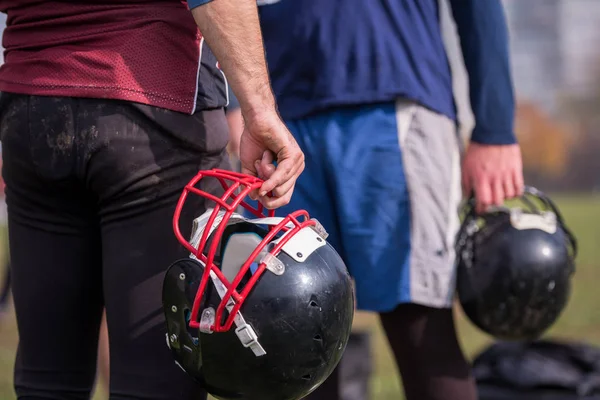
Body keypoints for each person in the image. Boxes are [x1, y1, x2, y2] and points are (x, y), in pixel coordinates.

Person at [0, 0, 304, 399]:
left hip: (32, 104)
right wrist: (260, 110)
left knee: (47, 379)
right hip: (153, 103)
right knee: (156, 379)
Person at [254, 1, 524, 399]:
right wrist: (236, 101)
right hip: (280, 117)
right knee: (295, 339)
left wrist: (495, 127)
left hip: (393, 99)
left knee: (419, 329)